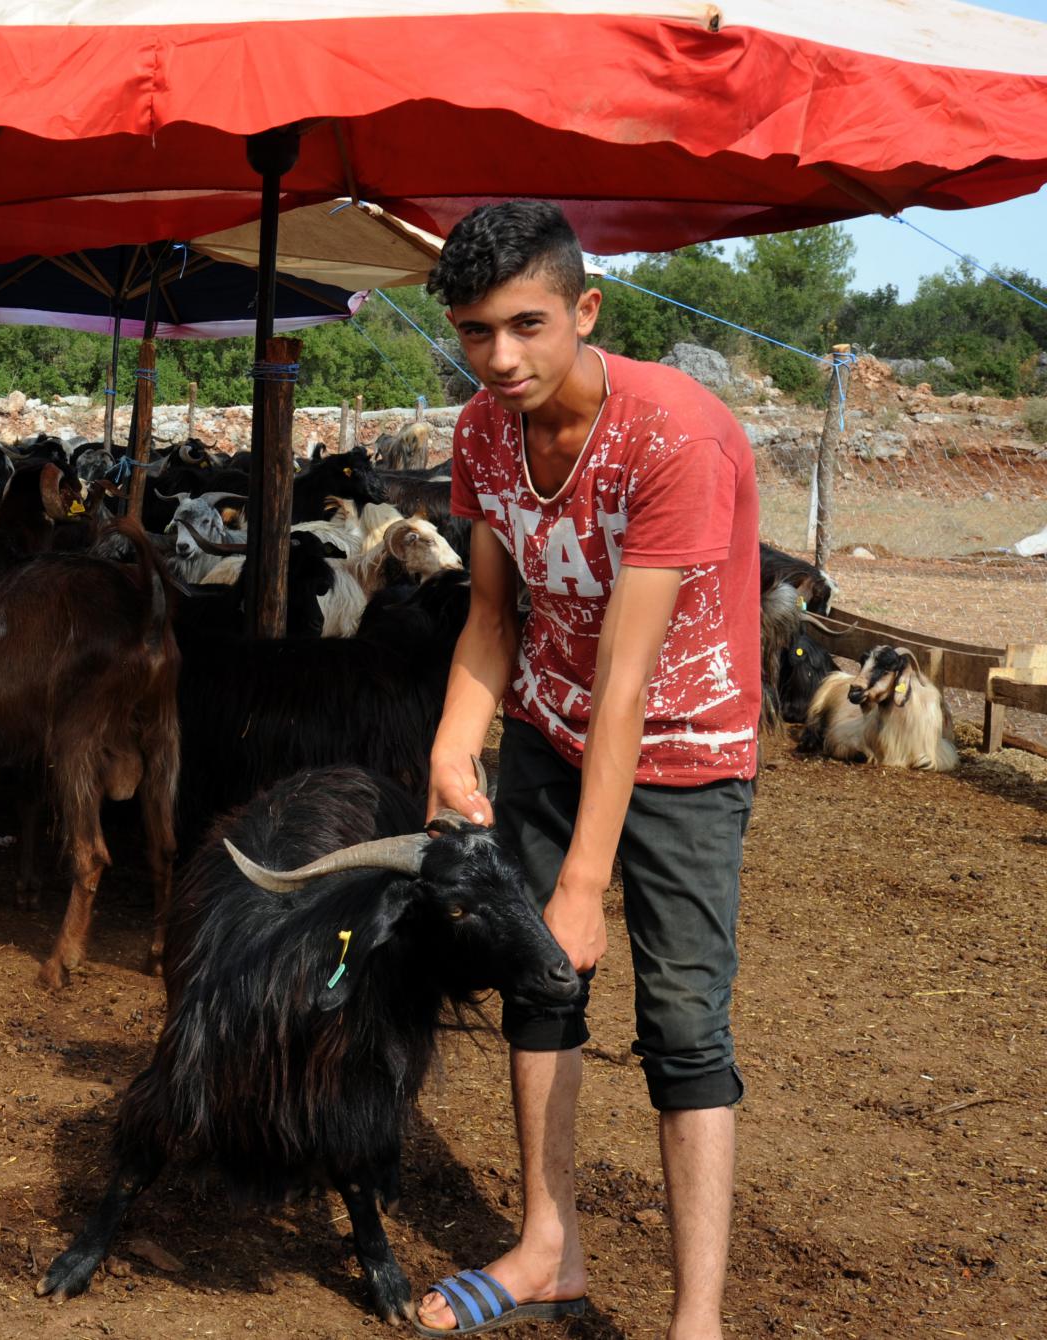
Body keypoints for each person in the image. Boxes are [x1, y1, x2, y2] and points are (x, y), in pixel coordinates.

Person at [412, 201, 760, 1339]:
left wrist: (579, 881)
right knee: (536, 982)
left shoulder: (674, 436)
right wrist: (452, 741)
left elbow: (629, 678)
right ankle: (546, 1246)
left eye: (526, 324)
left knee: (681, 1024)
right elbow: (488, 613)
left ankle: (692, 1317)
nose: (500, 358)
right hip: (550, 735)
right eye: (474, 331)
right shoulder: (479, 431)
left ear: (584, 310)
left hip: (685, 748)